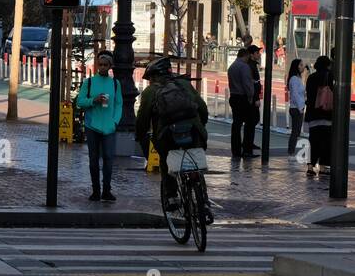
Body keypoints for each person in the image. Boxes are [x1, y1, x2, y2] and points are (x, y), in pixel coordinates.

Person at [135, 57, 209, 215]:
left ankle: (172, 196)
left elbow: (143, 119)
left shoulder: (150, 92)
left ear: (154, 76)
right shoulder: (184, 84)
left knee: (165, 161)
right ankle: (203, 201)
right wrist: (200, 126)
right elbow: (202, 108)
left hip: (168, 136)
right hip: (194, 132)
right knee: (196, 164)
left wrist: (139, 135)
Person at [76, 50, 123, 201]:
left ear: (110, 66)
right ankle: (96, 190)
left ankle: (106, 190)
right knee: (93, 159)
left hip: (109, 127)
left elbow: (119, 104)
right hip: (92, 126)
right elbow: (79, 102)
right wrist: (93, 100)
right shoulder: (89, 82)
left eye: (105, 65)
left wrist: (115, 121)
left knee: (108, 158)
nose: (102, 67)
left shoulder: (115, 84)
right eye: (100, 64)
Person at [304, 55, 335, 176]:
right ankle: (322, 167)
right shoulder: (330, 76)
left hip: (313, 113)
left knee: (313, 141)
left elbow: (309, 95)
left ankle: (310, 166)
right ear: (327, 65)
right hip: (326, 113)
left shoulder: (311, 77)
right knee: (325, 142)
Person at [226, 47, 257, 158]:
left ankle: (236, 151)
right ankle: (247, 150)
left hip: (234, 96)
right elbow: (247, 84)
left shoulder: (232, 67)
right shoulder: (244, 67)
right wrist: (251, 96)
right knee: (249, 124)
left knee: (236, 124)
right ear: (246, 56)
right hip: (243, 98)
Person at [286, 58, 306, 156]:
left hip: (298, 107)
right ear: (296, 67)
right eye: (301, 65)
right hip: (296, 108)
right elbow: (294, 94)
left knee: (297, 131)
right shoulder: (294, 79)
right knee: (295, 131)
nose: (303, 67)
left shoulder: (297, 78)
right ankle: (291, 151)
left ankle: (291, 150)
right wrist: (300, 107)